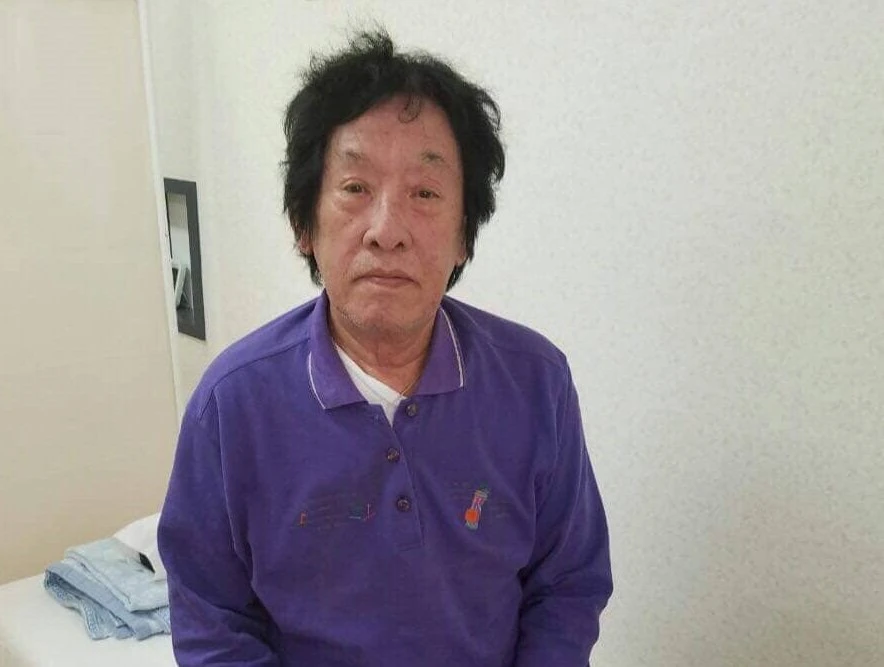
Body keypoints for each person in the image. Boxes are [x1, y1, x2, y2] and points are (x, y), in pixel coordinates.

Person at [158, 30, 612, 667]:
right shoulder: (230, 406)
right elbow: (212, 626)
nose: (387, 230)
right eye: (354, 188)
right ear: (304, 224)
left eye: (424, 193)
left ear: (464, 234)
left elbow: (566, 587)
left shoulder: (536, 382)